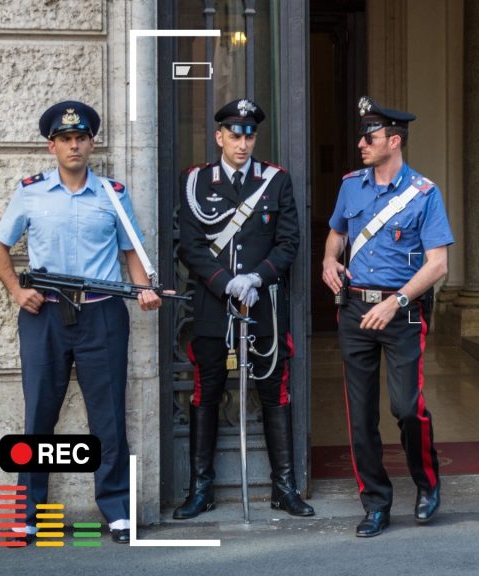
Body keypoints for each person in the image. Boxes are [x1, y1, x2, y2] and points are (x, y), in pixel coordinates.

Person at [0, 101, 162, 544]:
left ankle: (117, 511)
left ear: (91, 143)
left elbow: (131, 253)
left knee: (108, 416)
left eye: (81, 138)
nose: (74, 145)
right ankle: (27, 515)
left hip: (102, 311)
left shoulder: (113, 194)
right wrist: (16, 290)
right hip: (43, 314)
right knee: (39, 416)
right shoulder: (29, 191)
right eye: (65, 139)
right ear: (53, 146)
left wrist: (144, 289)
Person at [321, 96, 453, 537]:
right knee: (359, 414)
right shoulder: (351, 186)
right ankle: (375, 503)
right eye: (363, 135)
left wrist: (394, 302)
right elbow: (337, 233)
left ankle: (427, 484)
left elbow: (438, 265)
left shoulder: (424, 193)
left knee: (406, 407)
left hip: (402, 311)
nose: (361, 143)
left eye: (370, 137)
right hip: (356, 307)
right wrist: (328, 261)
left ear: (393, 141)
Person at [175, 98, 313, 519]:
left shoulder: (276, 181)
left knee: (275, 391)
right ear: (219, 137)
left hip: (263, 303)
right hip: (215, 306)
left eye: (249, 134)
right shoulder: (197, 181)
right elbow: (191, 246)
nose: (243, 142)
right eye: (235, 134)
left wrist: (256, 277)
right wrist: (224, 282)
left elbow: (289, 242)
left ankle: (283, 486)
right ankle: (202, 489)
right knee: (208, 390)